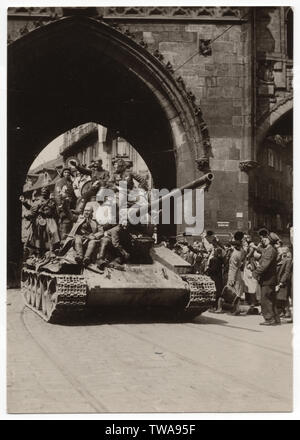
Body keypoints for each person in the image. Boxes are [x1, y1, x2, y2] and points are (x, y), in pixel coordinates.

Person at [20, 187, 60, 257]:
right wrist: (24, 203)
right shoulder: (39, 201)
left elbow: (54, 212)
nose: (44, 193)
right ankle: (38, 250)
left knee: (53, 231)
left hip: (50, 219)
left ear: (48, 193)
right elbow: (32, 208)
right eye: (43, 192)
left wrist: (46, 212)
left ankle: (53, 249)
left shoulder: (52, 201)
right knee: (38, 233)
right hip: (41, 219)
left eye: (45, 192)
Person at [253, 229, 280, 325]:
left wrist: (255, 273)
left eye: (265, 238)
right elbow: (264, 252)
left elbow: (264, 265)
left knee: (265, 299)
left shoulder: (270, 250)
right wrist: (257, 247)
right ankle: (275, 318)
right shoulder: (270, 249)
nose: (263, 239)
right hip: (270, 279)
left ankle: (269, 319)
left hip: (267, 279)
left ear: (269, 240)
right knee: (271, 299)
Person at [276, 246, 293, 319]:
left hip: (284, 281)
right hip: (280, 280)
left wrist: (281, 282)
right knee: (282, 297)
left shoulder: (288, 260)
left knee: (283, 297)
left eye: (283, 251)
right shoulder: (281, 259)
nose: (281, 252)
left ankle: (286, 312)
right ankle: (285, 312)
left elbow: (287, 272)